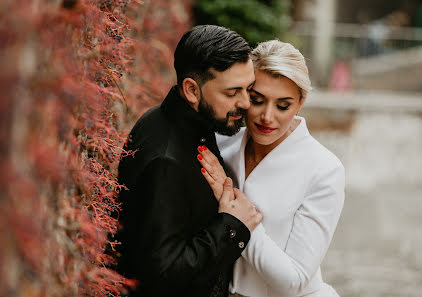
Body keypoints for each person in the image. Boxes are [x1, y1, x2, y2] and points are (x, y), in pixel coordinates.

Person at [116, 25, 263, 297]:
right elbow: (162, 275)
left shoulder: (190, 123)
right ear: (192, 91)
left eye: (248, 89)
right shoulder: (165, 162)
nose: (245, 103)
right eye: (232, 93)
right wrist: (232, 226)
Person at [197, 40, 345, 297]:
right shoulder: (221, 145)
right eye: (257, 100)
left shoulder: (324, 169)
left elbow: (294, 281)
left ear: (300, 103)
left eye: (283, 105)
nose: (267, 116)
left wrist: (240, 220)